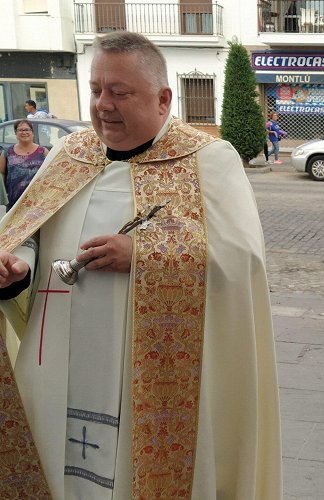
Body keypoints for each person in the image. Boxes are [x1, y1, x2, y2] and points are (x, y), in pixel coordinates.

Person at [0, 31, 281, 499]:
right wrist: (18, 269)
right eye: (95, 90)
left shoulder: (208, 159)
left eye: (120, 93)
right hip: (59, 366)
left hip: (151, 377)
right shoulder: (70, 155)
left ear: (163, 98)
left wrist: (145, 256)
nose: (103, 105)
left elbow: (243, 255)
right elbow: (30, 234)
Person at [0, 119, 49, 209]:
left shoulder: (43, 152)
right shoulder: (7, 152)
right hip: (14, 202)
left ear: (32, 132)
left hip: (38, 202)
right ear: (16, 133)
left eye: (27, 129)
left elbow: (51, 173)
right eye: (20, 130)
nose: (24, 132)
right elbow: (1, 173)